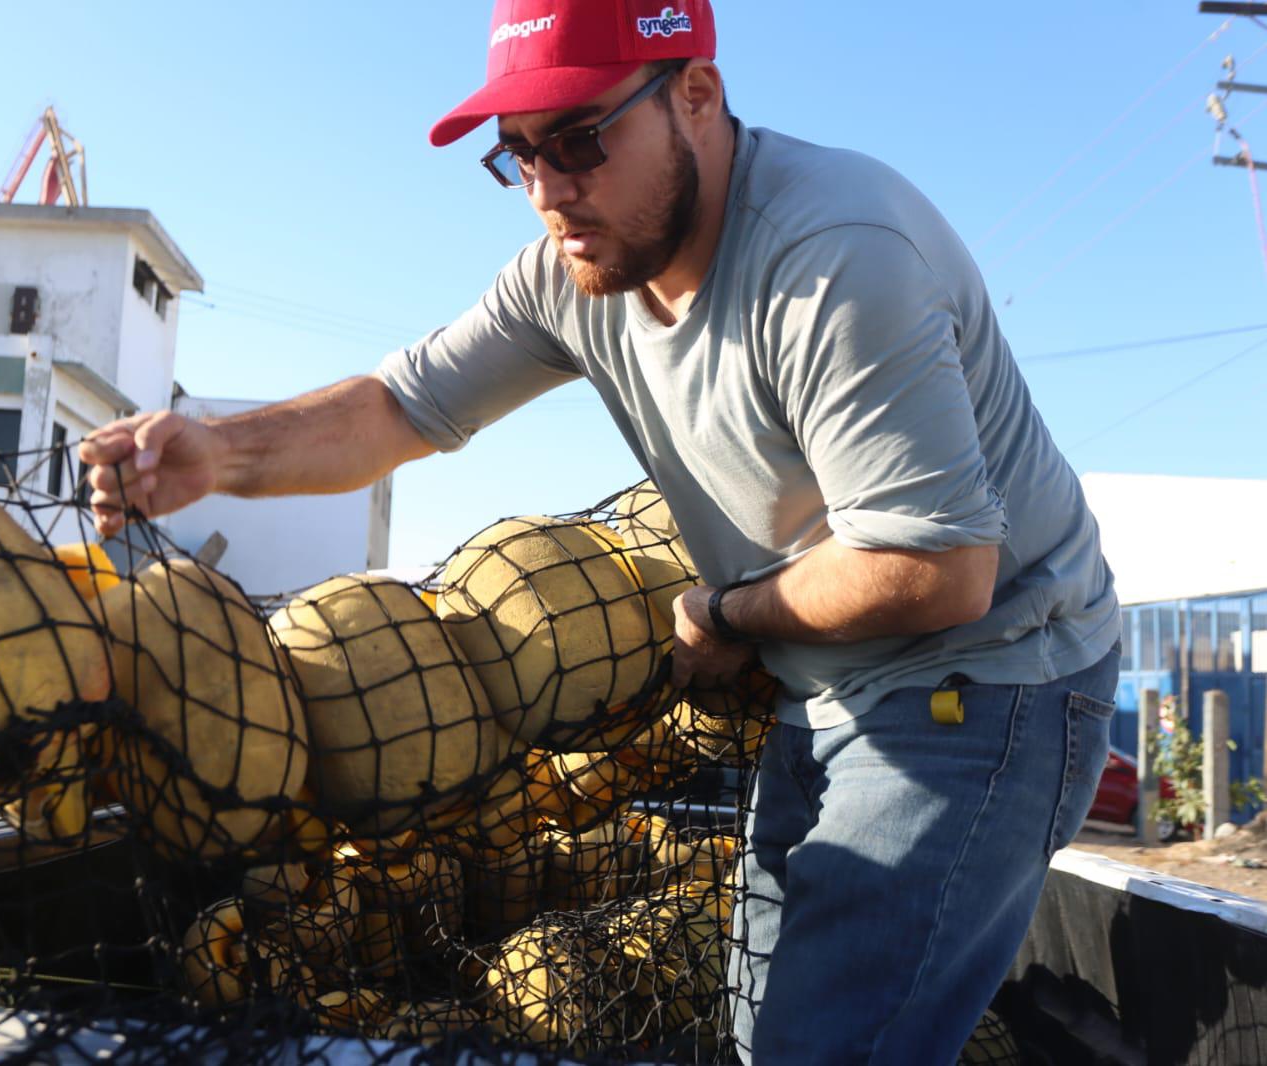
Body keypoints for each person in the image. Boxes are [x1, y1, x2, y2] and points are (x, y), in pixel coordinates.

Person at [79, 1, 1121, 1060]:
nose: (547, 190)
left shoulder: (834, 259)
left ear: (697, 95)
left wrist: (726, 610)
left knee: (826, 1046)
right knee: (767, 1030)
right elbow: (395, 408)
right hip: (825, 680)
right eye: (516, 155)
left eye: (579, 140)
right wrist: (218, 456)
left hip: (989, 677)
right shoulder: (573, 268)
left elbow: (937, 568)